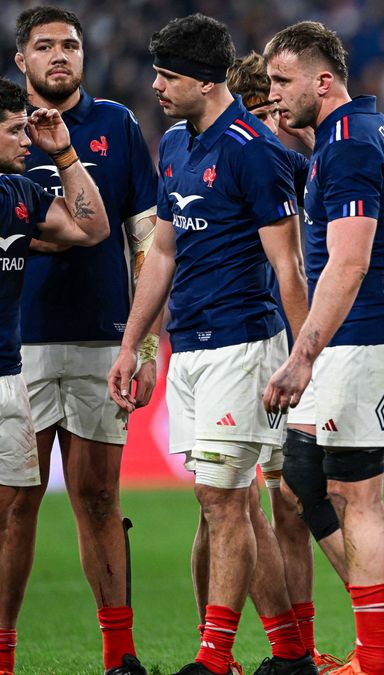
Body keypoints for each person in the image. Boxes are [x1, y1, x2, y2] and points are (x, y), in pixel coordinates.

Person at [106, 14, 312, 675]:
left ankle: (214, 655)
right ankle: (289, 654)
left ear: (200, 79)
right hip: (188, 349)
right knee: (231, 500)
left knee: (224, 499)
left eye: (166, 75)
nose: (157, 86)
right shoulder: (173, 143)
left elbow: (288, 266)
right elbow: (161, 252)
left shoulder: (256, 151)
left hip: (244, 344)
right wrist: (134, 344)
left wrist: (304, 355)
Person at [263, 20, 384, 675]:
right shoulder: (349, 132)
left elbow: (349, 259)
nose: (272, 93)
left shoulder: (351, 143)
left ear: (322, 81)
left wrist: (305, 351)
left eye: (282, 81)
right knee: (305, 475)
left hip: (360, 333)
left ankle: (375, 652)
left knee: (357, 496)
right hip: (359, 333)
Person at [1, 7, 156, 675]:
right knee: (15, 503)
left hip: (101, 338)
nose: (60, 55)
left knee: (99, 495)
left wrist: (144, 344)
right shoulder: (6, 129)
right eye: (45, 46)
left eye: (70, 44)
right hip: (19, 343)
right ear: (21, 59)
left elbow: (145, 238)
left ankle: (119, 656)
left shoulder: (116, 125)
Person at [217, 49, 343, 668]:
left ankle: (322, 641)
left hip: (280, 342)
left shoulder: (288, 162)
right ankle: (291, 647)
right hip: (267, 341)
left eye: (273, 100)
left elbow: (303, 264)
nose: (275, 112)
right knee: (252, 498)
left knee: (291, 495)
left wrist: (305, 350)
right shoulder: (274, 158)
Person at [0, 76, 110, 675]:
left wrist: (64, 154)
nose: (26, 138)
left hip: (8, 376)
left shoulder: (19, 194)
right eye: (15, 129)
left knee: (10, 511)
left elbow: (90, 229)